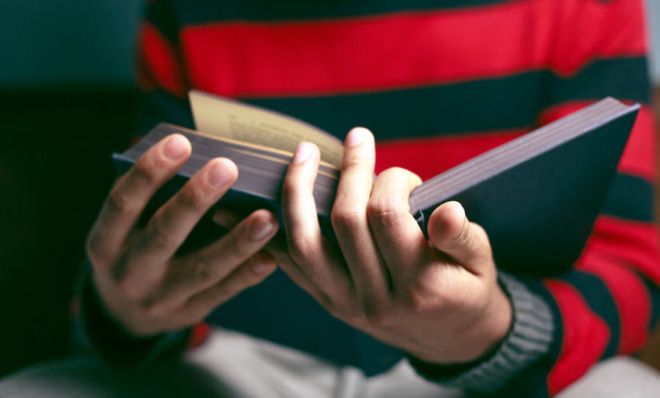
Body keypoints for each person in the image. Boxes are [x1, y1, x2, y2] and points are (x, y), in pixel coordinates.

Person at [1, 0, 659, 397]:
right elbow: (169, 226)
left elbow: (633, 268)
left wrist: (491, 333)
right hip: (240, 365)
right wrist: (121, 314)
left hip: (497, 373)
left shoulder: (579, 5)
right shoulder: (191, 7)